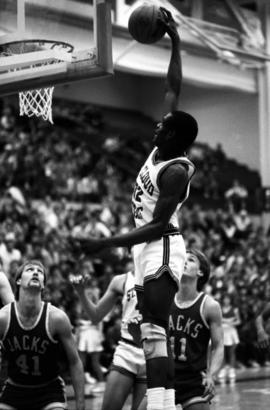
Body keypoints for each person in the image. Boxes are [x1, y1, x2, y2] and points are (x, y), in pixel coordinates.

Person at [68, 8, 198, 410]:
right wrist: (175, 43)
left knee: (158, 334)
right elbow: (172, 87)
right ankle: (162, 404)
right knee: (150, 336)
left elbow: (156, 226)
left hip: (160, 246)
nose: (156, 127)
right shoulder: (165, 147)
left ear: (175, 134)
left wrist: (103, 244)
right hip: (145, 250)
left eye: (163, 125)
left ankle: (163, 405)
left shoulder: (176, 170)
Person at [0, 260, 85, 410]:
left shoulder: (57, 318)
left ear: (43, 285)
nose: (35, 272)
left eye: (40, 272)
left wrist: (80, 403)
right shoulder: (3, 317)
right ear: (18, 280)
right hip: (15, 389)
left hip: (49, 391)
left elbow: (75, 362)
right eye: (30, 270)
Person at [70, 265, 146, 410]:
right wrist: (81, 293)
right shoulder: (120, 280)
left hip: (151, 352)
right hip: (127, 350)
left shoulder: (164, 276)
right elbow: (96, 316)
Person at [169, 249, 223, 409]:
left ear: (201, 272)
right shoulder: (165, 297)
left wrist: (211, 376)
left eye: (191, 259)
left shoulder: (210, 306)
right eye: (182, 258)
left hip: (192, 381)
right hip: (165, 376)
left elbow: (218, 346)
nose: (184, 261)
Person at [218, 294, 241, 381]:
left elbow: (239, 321)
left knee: (232, 351)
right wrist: (226, 320)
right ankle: (223, 369)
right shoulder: (219, 309)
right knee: (222, 352)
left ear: (230, 300)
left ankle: (231, 369)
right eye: (225, 299)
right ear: (223, 300)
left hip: (231, 332)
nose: (226, 301)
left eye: (228, 299)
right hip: (222, 331)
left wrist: (231, 323)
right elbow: (217, 319)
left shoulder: (235, 309)